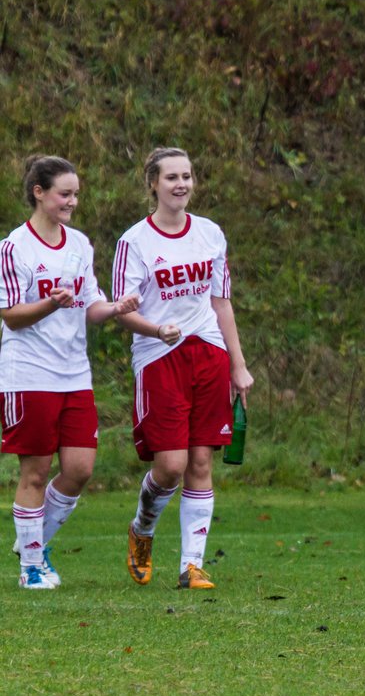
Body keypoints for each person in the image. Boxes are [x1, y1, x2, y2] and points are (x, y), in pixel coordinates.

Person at [112, 147, 253, 590]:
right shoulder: (134, 241)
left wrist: (238, 365)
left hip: (208, 353)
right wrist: (156, 329)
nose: (181, 184)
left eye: (187, 176)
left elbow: (221, 302)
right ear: (152, 183)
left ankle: (191, 565)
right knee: (169, 466)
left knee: (200, 462)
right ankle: (143, 529)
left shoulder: (210, 233)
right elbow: (121, 311)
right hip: (160, 357)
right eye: (171, 177)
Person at [0, 156, 139, 588]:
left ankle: (33, 542)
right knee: (36, 472)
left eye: (76, 193)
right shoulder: (13, 247)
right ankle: (32, 567)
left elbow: (90, 305)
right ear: (39, 193)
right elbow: (10, 315)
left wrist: (115, 308)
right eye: (65, 193)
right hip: (29, 374)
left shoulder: (80, 244)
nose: (73, 201)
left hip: (74, 374)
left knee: (79, 469)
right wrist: (49, 303)